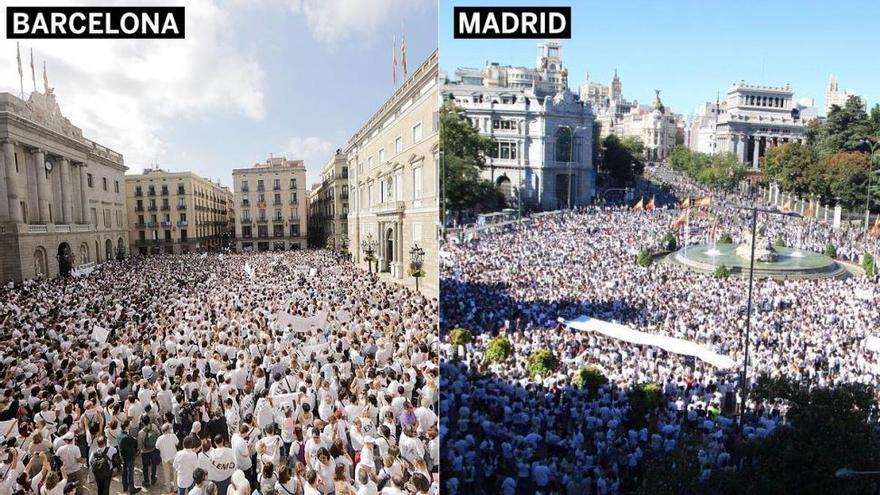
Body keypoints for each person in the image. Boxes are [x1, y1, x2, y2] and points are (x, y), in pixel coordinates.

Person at [157, 423, 181, 493]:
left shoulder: (159, 438)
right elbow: (177, 443)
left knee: (166, 473)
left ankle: (168, 488)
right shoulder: (173, 436)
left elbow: (157, 447)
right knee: (175, 472)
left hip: (164, 457)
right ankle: (176, 488)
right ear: (168, 430)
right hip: (173, 457)